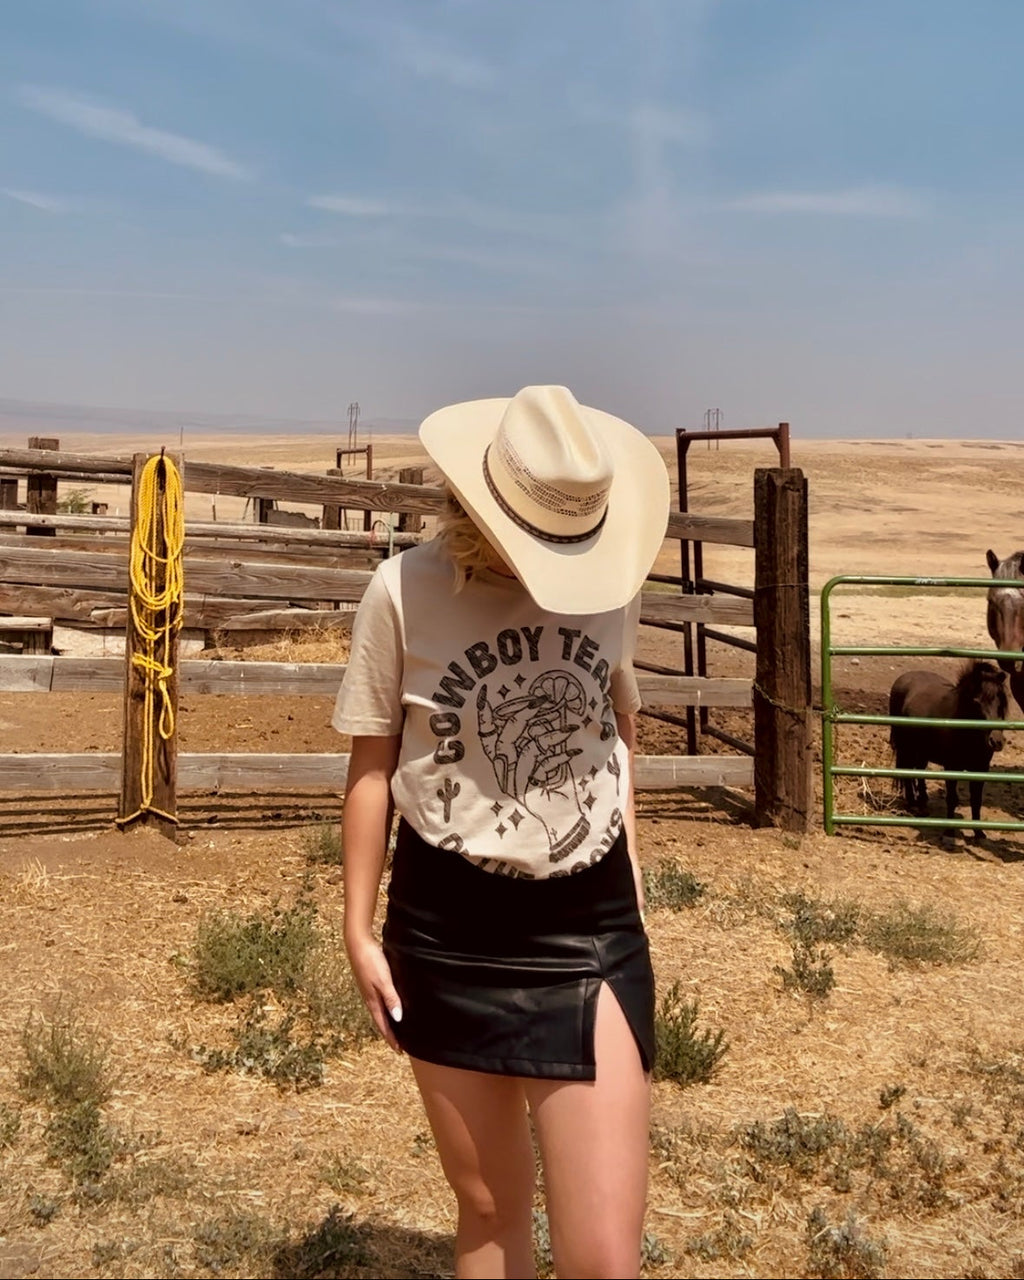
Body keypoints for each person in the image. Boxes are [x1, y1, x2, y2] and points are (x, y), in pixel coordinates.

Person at [333, 384, 670, 1279]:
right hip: (444, 925)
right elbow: (371, 769)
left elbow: (617, 727)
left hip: (588, 925)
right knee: (487, 1209)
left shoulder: (610, 583)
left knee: (603, 1258)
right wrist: (357, 929)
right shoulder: (401, 590)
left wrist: (630, 872)